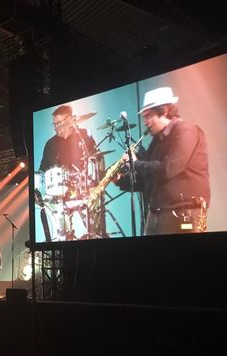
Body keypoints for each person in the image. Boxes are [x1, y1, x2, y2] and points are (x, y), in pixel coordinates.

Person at [117, 86, 210, 235]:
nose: (146, 122)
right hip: (156, 214)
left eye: (148, 116)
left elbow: (168, 169)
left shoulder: (186, 130)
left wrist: (135, 164)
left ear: (165, 111)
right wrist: (121, 180)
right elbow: (148, 178)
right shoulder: (157, 140)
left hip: (184, 213)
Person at [37, 105, 101, 241]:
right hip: (60, 197)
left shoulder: (84, 135)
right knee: (63, 237)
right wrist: (37, 189)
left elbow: (98, 158)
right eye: (54, 124)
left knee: (94, 231)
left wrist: (97, 183)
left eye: (59, 123)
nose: (55, 127)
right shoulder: (50, 144)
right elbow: (42, 170)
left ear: (70, 120)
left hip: (85, 191)